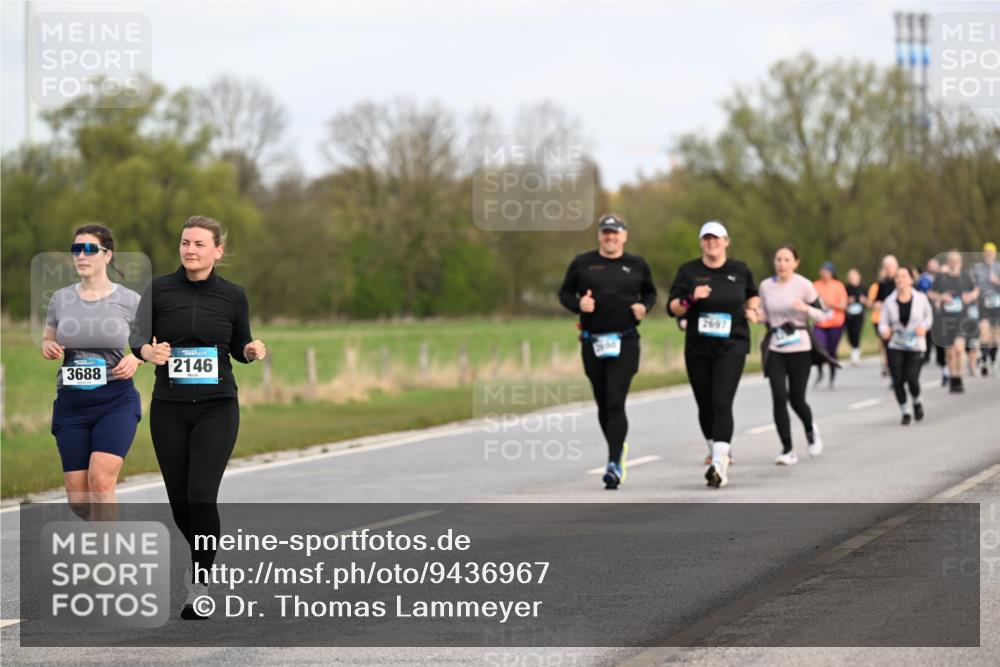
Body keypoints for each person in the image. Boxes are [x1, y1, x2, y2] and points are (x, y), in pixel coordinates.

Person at [131, 216, 267, 619]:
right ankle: (203, 552)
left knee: (201, 494)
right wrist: (146, 353)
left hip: (217, 406)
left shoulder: (233, 296)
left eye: (199, 244)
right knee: (180, 505)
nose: (190, 249)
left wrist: (252, 351)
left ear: (217, 251)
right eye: (185, 242)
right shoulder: (158, 290)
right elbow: (136, 336)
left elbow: (240, 344)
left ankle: (200, 583)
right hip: (169, 408)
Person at [43, 224, 143, 522]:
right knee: (78, 500)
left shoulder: (129, 300)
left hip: (115, 401)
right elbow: (48, 338)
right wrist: (49, 347)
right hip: (71, 404)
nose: (81, 256)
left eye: (89, 249)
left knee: (100, 483)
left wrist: (137, 359)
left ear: (108, 255)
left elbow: (150, 344)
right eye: (76, 249)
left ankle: (105, 561)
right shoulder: (60, 299)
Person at [558, 213, 657, 490]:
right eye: (606, 232)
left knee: (616, 399)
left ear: (624, 236)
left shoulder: (636, 265)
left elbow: (650, 294)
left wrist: (644, 308)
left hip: (625, 340)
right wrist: (579, 305)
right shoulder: (583, 263)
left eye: (615, 232)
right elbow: (564, 294)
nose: (610, 237)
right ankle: (618, 447)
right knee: (603, 403)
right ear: (599, 236)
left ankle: (613, 462)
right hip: (593, 342)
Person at [667, 221, 761, 488]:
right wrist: (691, 298)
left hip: (732, 345)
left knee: (722, 401)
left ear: (726, 241)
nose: (712, 243)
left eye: (716, 238)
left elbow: (752, 295)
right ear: (701, 243)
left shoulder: (739, 270)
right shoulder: (688, 272)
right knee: (705, 404)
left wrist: (752, 309)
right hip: (698, 347)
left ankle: (719, 462)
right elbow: (673, 307)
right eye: (707, 239)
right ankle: (715, 446)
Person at [754, 245, 831, 466]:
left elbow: (823, 316)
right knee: (779, 397)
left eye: (787, 260)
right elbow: (765, 314)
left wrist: (806, 309)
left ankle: (810, 429)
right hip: (776, 347)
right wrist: (755, 315)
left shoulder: (805, 285)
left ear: (796, 263)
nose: (782, 264)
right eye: (778, 259)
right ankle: (787, 449)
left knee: (797, 399)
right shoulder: (766, 286)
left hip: (800, 347)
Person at [879, 267, 933, 425]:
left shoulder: (921, 298)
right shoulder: (889, 301)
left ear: (910, 280)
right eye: (897, 277)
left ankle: (916, 400)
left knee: (912, 378)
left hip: (915, 343)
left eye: (903, 276)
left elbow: (928, 317)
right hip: (896, 343)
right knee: (897, 379)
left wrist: (924, 326)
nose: (899, 279)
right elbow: (883, 323)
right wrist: (885, 330)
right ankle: (905, 410)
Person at [928, 250, 979, 394]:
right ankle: (952, 377)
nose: (953, 263)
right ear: (948, 262)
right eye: (951, 261)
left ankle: (959, 377)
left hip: (962, 318)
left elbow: (976, 291)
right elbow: (931, 293)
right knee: (949, 352)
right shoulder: (941, 278)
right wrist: (941, 297)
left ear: (960, 262)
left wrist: (970, 297)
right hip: (945, 319)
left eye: (956, 260)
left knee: (959, 349)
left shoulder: (965, 277)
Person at [812, 261, 848, 388]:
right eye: (822, 271)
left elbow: (843, 305)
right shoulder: (816, 285)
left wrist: (829, 304)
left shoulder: (838, 286)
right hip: (820, 323)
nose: (824, 274)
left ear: (832, 273)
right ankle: (820, 372)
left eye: (827, 271)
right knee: (819, 349)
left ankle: (832, 378)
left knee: (832, 351)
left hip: (835, 323)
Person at [971, 242, 1000, 378]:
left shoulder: (999, 267)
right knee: (984, 332)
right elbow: (972, 284)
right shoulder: (977, 268)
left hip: (997, 305)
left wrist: (997, 281)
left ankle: (993, 360)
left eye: (991, 253)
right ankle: (984, 358)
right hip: (983, 305)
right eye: (986, 253)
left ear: (995, 254)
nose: (988, 255)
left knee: (995, 337)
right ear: (983, 254)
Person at [868, 255, 899, 378]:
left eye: (890, 266)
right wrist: (877, 304)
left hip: (900, 319)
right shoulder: (881, 284)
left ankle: (897, 368)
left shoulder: (901, 281)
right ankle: (889, 367)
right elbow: (873, 301)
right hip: (884, 320)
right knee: (887, 345)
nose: (888, 269)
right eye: (886, 267)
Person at [916, 258, 940, 365]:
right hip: (926, 308)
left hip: (941, 310)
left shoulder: (943, 277)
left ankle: (940, 357)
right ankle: (926, 354)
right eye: (931, 265)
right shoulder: (924, 278)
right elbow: (923, 292)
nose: (933, 267)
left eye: (935, 265)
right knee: (927, 332)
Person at [844, 268, 866, 365]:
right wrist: (848, 300)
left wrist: (863, 300)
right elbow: (842, 301)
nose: (853, 279)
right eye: (851, 277)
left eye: (854, 277)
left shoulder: (863, 288)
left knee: (857, 333)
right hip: (849, 314)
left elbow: (869, 302)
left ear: (859, 277)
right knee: (850, 334)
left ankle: (855, 354)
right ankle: (854, 349)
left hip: (859, 314)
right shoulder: (846, 288)